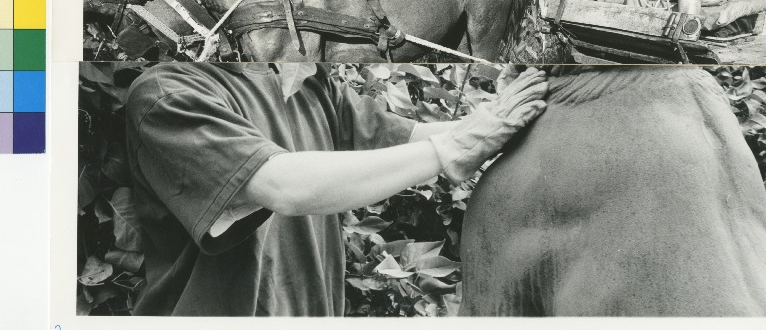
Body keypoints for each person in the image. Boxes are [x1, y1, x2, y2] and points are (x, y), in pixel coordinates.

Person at [124, 62, 548, 316]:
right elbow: (282, 185)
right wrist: (460, 145)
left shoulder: (305, 78)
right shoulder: (167, 91)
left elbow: (413, 139)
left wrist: (502, 114)